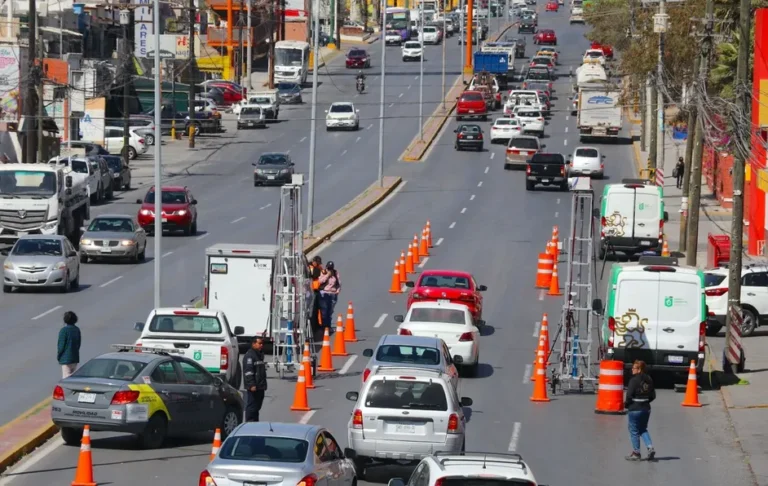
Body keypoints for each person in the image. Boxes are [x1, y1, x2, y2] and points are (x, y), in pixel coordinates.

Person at [624, 360, 656, 461]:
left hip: (635, 408)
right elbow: (653, 395)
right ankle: (650, 447)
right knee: (643, 429)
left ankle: (636, 453)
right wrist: (646, 401)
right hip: (646, 408)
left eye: (634, 368)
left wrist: (627, 405)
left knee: (634, 430)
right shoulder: (649, 379)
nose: (632, 369)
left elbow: (629, 395)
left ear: (639, 369)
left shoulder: (633, 380)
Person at [242, 336, 268, 422]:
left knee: (257, 407)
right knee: (252, 407)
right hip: (254, 387)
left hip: (260, 386)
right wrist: (251, 384)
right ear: (254, 344)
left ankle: (255, 424)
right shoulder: (249, 356)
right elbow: (248, 372)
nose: (261, 345)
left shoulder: (259, 355)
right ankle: (249, 423)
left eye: (262, 344)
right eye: (259, 343)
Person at [318, 261, 341, 332]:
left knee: (330, 311)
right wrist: (327, 275)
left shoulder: (335, 273)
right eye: (329, 268)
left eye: (331, 268)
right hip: (325, 293)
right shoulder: (323, 272)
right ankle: (324, 327)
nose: (330, 269)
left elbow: (339, 283)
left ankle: (328, 326)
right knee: (324, 311)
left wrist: (337, 291)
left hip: (333, 294)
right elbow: (320, 281)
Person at [57, 311, 81, 379]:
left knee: (66, 377)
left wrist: (59, 356)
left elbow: (61, 346)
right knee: (73, 377)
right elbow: (78, 344)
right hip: (75, 357)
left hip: (66, 359)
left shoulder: (64, 330)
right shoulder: (77, 330)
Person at [309, 256, 323, 330]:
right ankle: (314, 325)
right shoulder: (310, 267)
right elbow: (314, 275)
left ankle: (317, 324)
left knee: (317, 308)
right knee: (313, 309)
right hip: (312, 290)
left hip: (318, 290)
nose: (318, 264)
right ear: (314, 262)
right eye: (317, 263)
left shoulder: (319, 268)